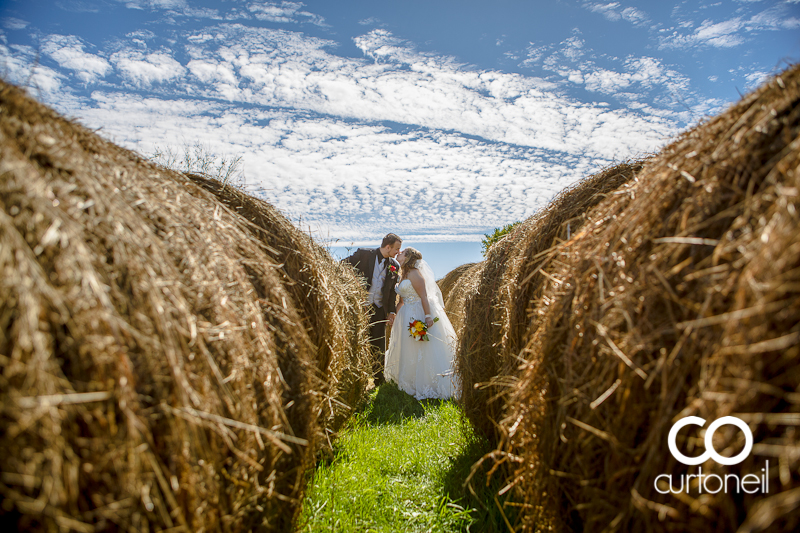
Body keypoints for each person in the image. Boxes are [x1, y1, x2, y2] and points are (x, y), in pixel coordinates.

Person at [384, 247, 459, 400]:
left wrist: (427, 316)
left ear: (408, 257)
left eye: (402, 252)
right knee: (409, 347)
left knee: (421, 345)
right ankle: (408, 380)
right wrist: (394, 316)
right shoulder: (402, 274)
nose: (399, 253)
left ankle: (426, 382)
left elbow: (424, 297)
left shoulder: (414, 274)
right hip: (405, 314)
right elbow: (402, 300)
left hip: (417, 314)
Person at [343, 233, 402, 385]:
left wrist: (391, 311)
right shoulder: (363, 254)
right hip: (359, 307)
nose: (398, 252)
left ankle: (378, 379)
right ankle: (355, 377)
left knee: (378, 344)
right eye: (396, 249)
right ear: (387, 247)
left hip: (379, 308)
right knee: (356, 341)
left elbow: (391, 292)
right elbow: (343, 265)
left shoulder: (395, 265)